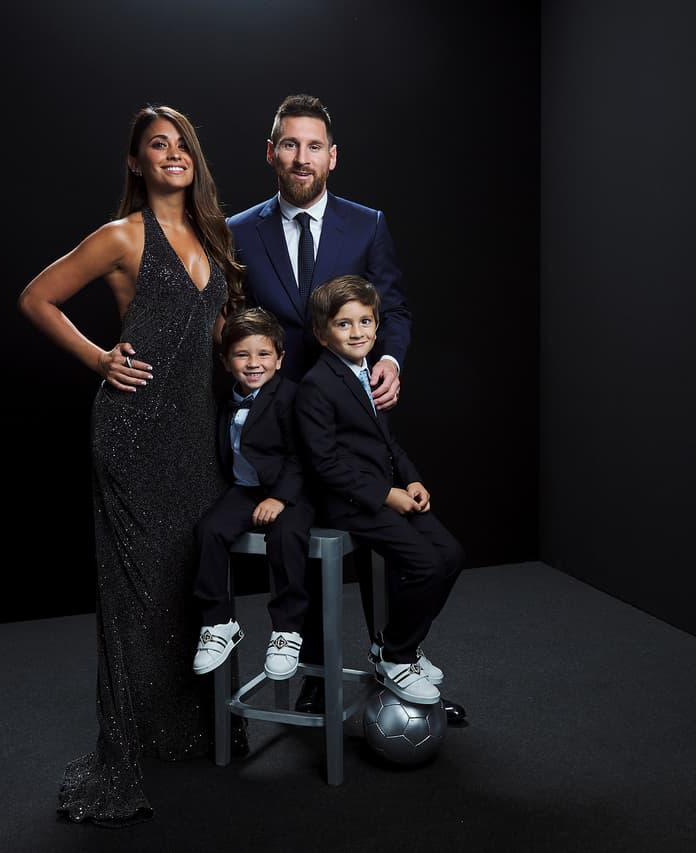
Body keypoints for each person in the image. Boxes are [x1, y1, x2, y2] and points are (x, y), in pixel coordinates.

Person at [17, 104, 246, 826]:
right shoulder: (123, 236)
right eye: (158, 145)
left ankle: (181, 725)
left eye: (182, 145)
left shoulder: (214, 233)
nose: (173, 154)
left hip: (194, 434)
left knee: (190, 577)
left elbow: (217, 342)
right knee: (131, 593)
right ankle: (123, 745)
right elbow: (37, 297)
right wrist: (99, 358)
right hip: (132, 432)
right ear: (136, 162)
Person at [228, 94, 464, 721]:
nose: (301, 157)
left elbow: (397, 311)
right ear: (271, 153)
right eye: (289, 144)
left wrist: (389, 361)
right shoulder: (239, 231)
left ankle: (395, 655)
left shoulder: (368, 224)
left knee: (389, 546)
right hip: (284, 427)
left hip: (355, 416)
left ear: (332, 157)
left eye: (313, 146)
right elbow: (232, 327)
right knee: (306, 538)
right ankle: (316, 676)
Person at [295, 274, 464, 705]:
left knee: (450, 555)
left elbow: (386, 442)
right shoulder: (318, 384)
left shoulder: (364, 372)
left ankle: (394, 644)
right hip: (349, 503)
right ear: (321, 333)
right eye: (344, 324)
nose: (358, 332)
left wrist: (411, 478)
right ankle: (396, 656)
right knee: (424, 564)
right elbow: (324, 464)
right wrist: (386, 495)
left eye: (366, 322)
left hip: (387, 488)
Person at [191, 308, 314, 680]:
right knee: (208, 531)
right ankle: (218, 622)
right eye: (242, 355)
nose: (253, 363)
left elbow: (302, 456)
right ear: (227, 361)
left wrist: (280, 498)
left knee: (286, 535)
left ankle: (287, 630)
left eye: (263, 354)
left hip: (292, 491)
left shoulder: (292, 396)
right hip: (247, 489)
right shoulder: (225, 399)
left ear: (280, 359)